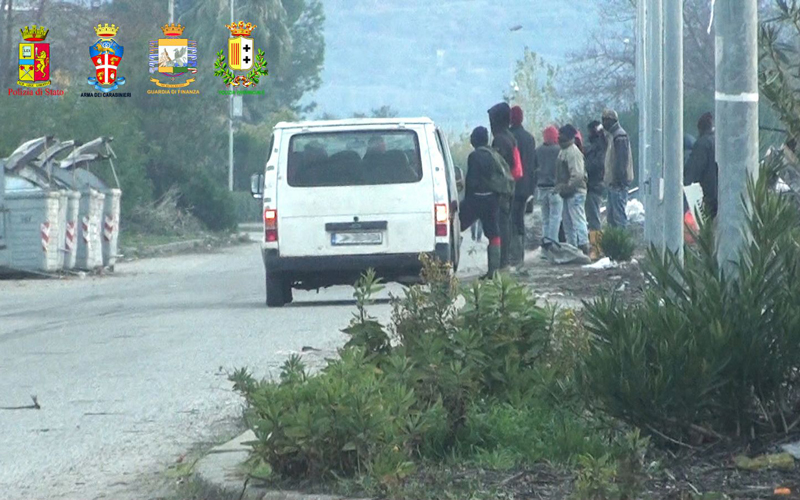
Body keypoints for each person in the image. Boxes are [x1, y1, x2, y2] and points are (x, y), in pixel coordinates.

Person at [459, 126, 514, 278]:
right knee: (493, 233)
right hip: (493, 199)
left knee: (456, 224)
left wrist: (466, 201)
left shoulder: (474, 156)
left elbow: (472, 182)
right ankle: (493, 272)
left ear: (475, 140)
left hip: (476, 199)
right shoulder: (494, 154)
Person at [487, 102, 522, 269]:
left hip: (502, 189)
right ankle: (505, 260)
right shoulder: (509, 136)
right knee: (506, 223)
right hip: (510, 187)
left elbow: (499, 166)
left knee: (502, 224)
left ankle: (502, 262)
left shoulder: (500, 140)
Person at [508, 105, 537, 267]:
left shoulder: (508, 137)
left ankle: (513, 256)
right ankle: (520, 256)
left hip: (512, 186)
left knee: (511, 220)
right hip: (525, 188)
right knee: (520, 220)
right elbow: (533, 166)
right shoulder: (530, 138)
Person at [555, 124, 590, 255]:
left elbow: (578, 175)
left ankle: (583, 246)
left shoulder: (573, 152)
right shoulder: (563, 150)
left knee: (578, 220)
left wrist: (567, 187)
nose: (559, 137)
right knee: (568, 222)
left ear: (568, 136)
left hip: (575, 192)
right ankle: (572, 248)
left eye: (561, 134)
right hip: (567, 193)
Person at [602, 109, 634, 228]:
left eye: (605, 120)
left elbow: (621, 161)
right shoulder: (612, 136)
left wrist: (618, 181)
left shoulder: (619, 136)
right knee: (611, 218)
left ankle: (622, 243)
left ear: (612, 121)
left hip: (618, 184)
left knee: (619, 217)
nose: (603, 123)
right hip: (613, 183)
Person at [684, 112, 718, 219]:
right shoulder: (721, 141)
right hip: (723, 196)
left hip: (707, 197)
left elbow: (692, 172)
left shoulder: (702, 145)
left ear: (700, 129)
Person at [536, 125, 563, 252]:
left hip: (541, 188)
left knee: (545, 219)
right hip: (555, 188)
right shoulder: (559, 150)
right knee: (555, 218)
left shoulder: (538, 150)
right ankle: (553, 245)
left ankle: (544, 248)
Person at [584, 120, 607, 259]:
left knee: (594, 218)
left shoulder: (600, 147)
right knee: (592, 217)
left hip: (594, 185)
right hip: (593, 185)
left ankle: (596, 248)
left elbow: (598, 165)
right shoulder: (597, 146)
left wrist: (585, 166)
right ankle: (595, 247)